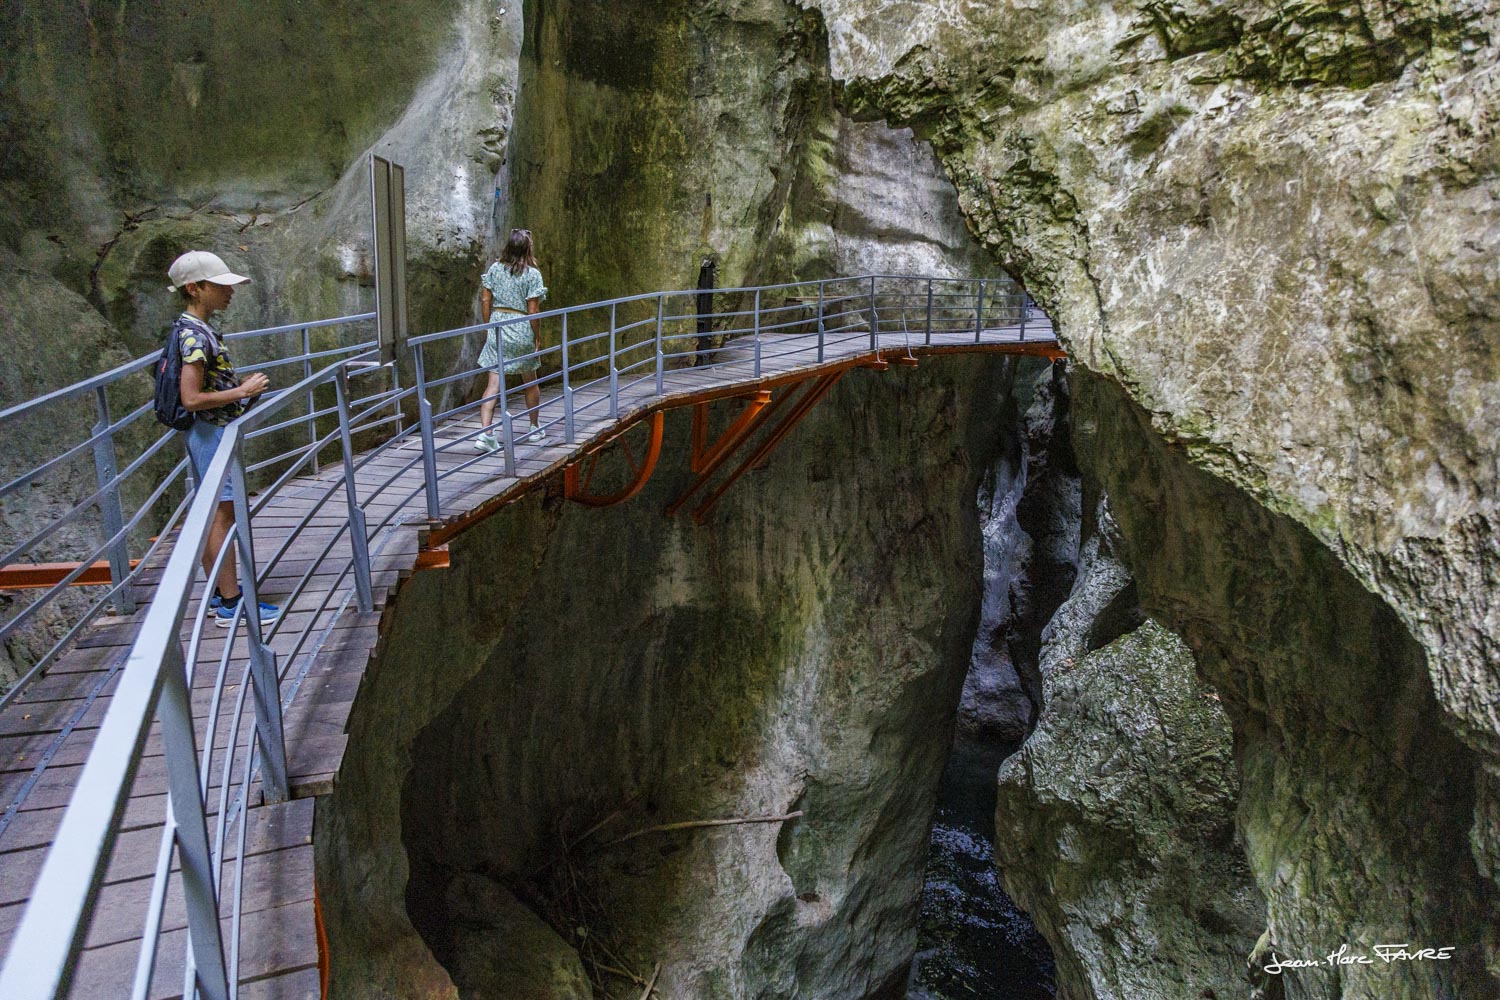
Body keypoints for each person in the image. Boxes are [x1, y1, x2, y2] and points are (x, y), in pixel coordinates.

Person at [166, 250, 280, 628]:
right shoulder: (195, 337)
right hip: (211, 433)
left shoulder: (193, 328)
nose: (229, 293)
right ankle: (232, 602)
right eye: (220, 286)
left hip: (207, 433)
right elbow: (191, 398)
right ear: (195, 288)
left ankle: (221, 595)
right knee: (223, 513)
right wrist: (242, 391)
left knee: (216, 510)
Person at [475, 228, 548, 452]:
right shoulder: (533, 274)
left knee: (493, 385)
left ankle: (486, 435)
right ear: (528, 248)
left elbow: (485, 300)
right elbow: (533, 311)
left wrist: (489, 326)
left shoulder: (495, 270)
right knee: (530, 382)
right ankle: (534, 427)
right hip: (521, 327)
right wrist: (536, 335)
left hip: (498, 326)